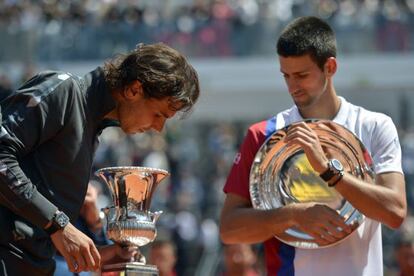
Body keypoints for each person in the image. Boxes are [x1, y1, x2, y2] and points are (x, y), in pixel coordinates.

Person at [219, 16, 406, 276]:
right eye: (286, 76)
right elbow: (229, 229)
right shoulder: (264, 134)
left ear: (330, 67)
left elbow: (395, 212)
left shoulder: (374, 126)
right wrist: (293, 215)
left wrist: (329, 171)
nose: (292, 86)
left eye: (302, 75)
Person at [0, 42, 200, 275]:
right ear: (134, 90)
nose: (158, 127)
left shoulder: (92, 126)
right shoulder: (64, 90)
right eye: (158, 114)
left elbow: (34, 231)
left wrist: (95, 253)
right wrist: (58, 224)